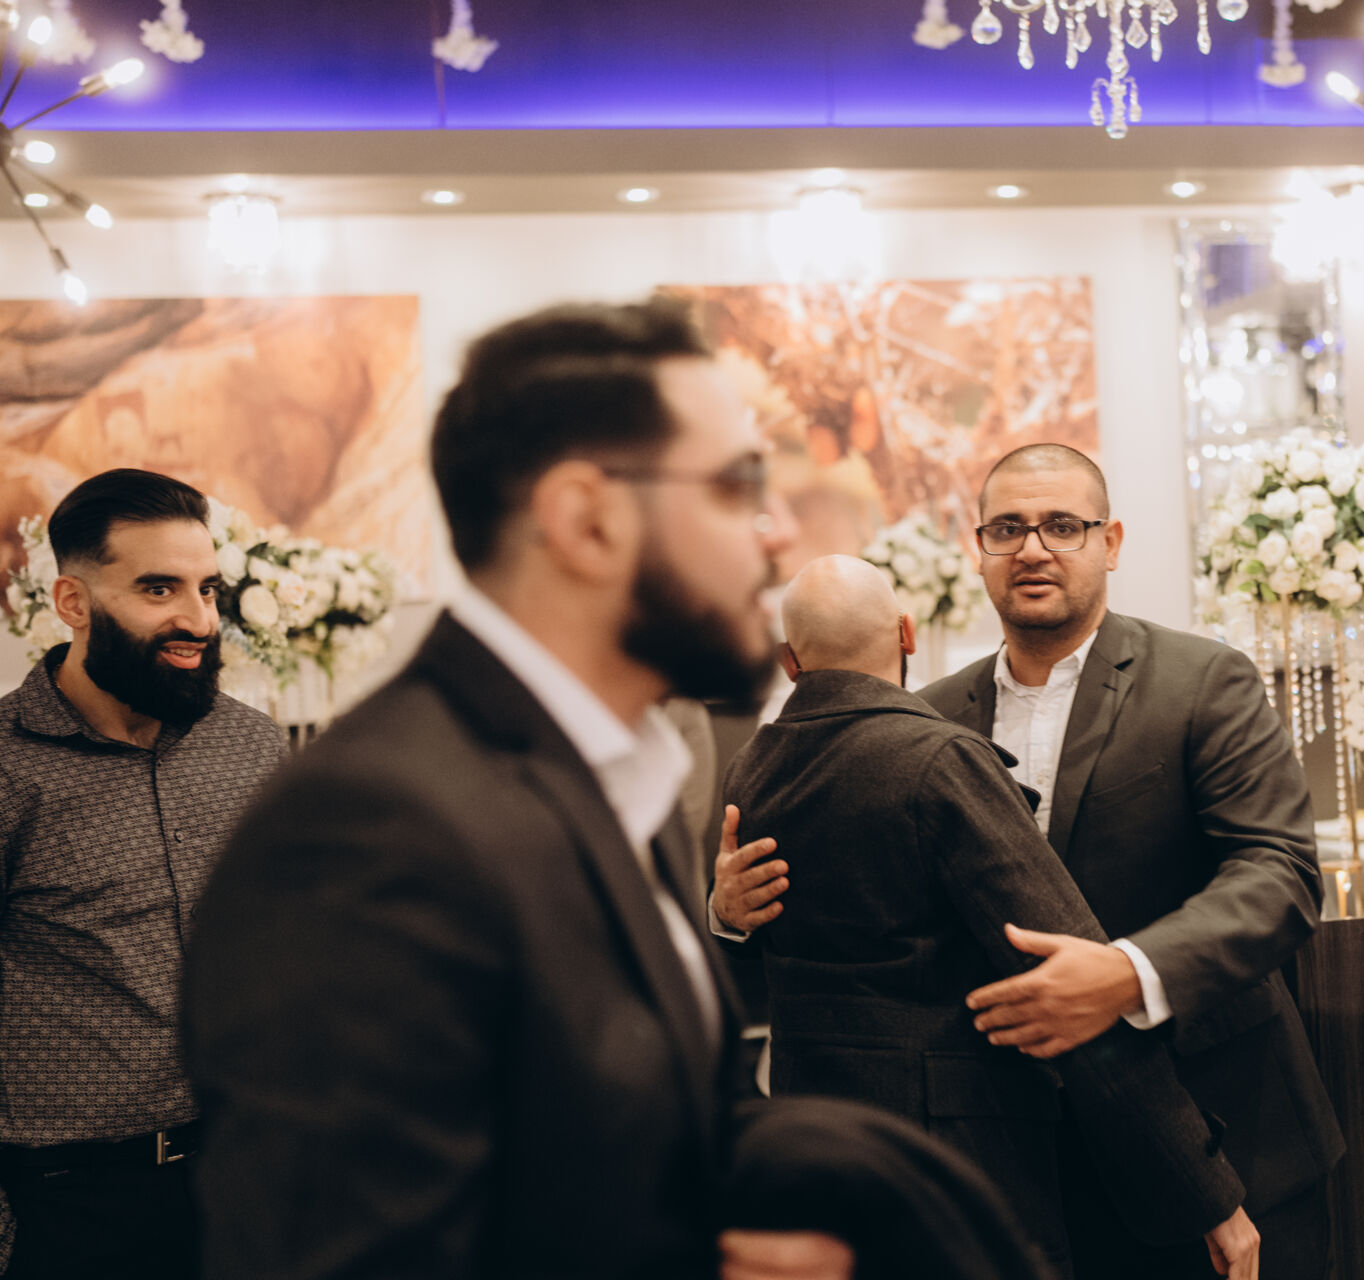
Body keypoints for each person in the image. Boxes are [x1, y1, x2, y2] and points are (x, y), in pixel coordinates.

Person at [183, 299, 887, 1280]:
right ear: (586, 520)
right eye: (737, 487)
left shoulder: (620, 775)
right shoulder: (370, 834)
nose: (778, 533)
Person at [717, 443, 1345, 1279]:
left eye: (1062, 526)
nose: (1033, 549)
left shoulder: (1201, 681)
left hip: (1216, 1124)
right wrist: (731, 914)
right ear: (978, 549)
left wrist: (1129, 973)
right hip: (1020, 1156)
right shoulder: (927, 719)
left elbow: (1279, 872)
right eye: (1008, 529)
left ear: (1110, 542)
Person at [0, 469, 286, 1280]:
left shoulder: (253, 746)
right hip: (69, 1205)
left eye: (208, 588)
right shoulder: (7, 767)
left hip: (246, 1178)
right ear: (73, 601)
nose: (198, 619)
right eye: (159, 589)